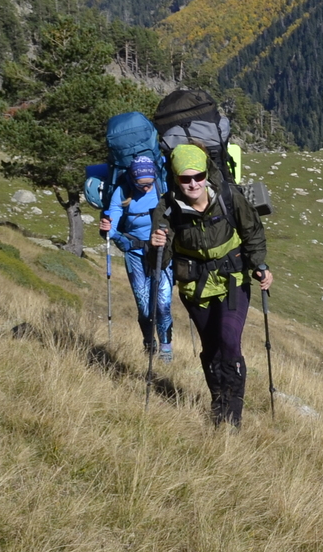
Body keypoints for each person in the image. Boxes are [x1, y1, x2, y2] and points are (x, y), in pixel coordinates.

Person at [150, 144, 271, 427]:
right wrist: (155, 245)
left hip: (232, 280)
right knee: (211, 347)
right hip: (195, 288)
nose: (193, 183)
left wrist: (259, 267)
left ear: (207, 174)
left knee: (229, 340)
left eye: (198, 176)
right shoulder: (167, 208)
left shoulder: (229, 197)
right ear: (176, 178)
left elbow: (252, 231)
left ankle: (232, 415)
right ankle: (218, 400)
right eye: (185, 178)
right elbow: (160, 259)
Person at [98, 154, 173, 361]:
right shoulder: (122, 190)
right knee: (144, 305)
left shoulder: (162, 186)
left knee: (163, 304)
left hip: (162, 251)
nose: (147, 188)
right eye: (142, 185)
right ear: (132, 179)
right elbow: (112, 221)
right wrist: (108, 229)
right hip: (134, 252)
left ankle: (166, 350)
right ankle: (149, 344)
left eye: (149, 184)